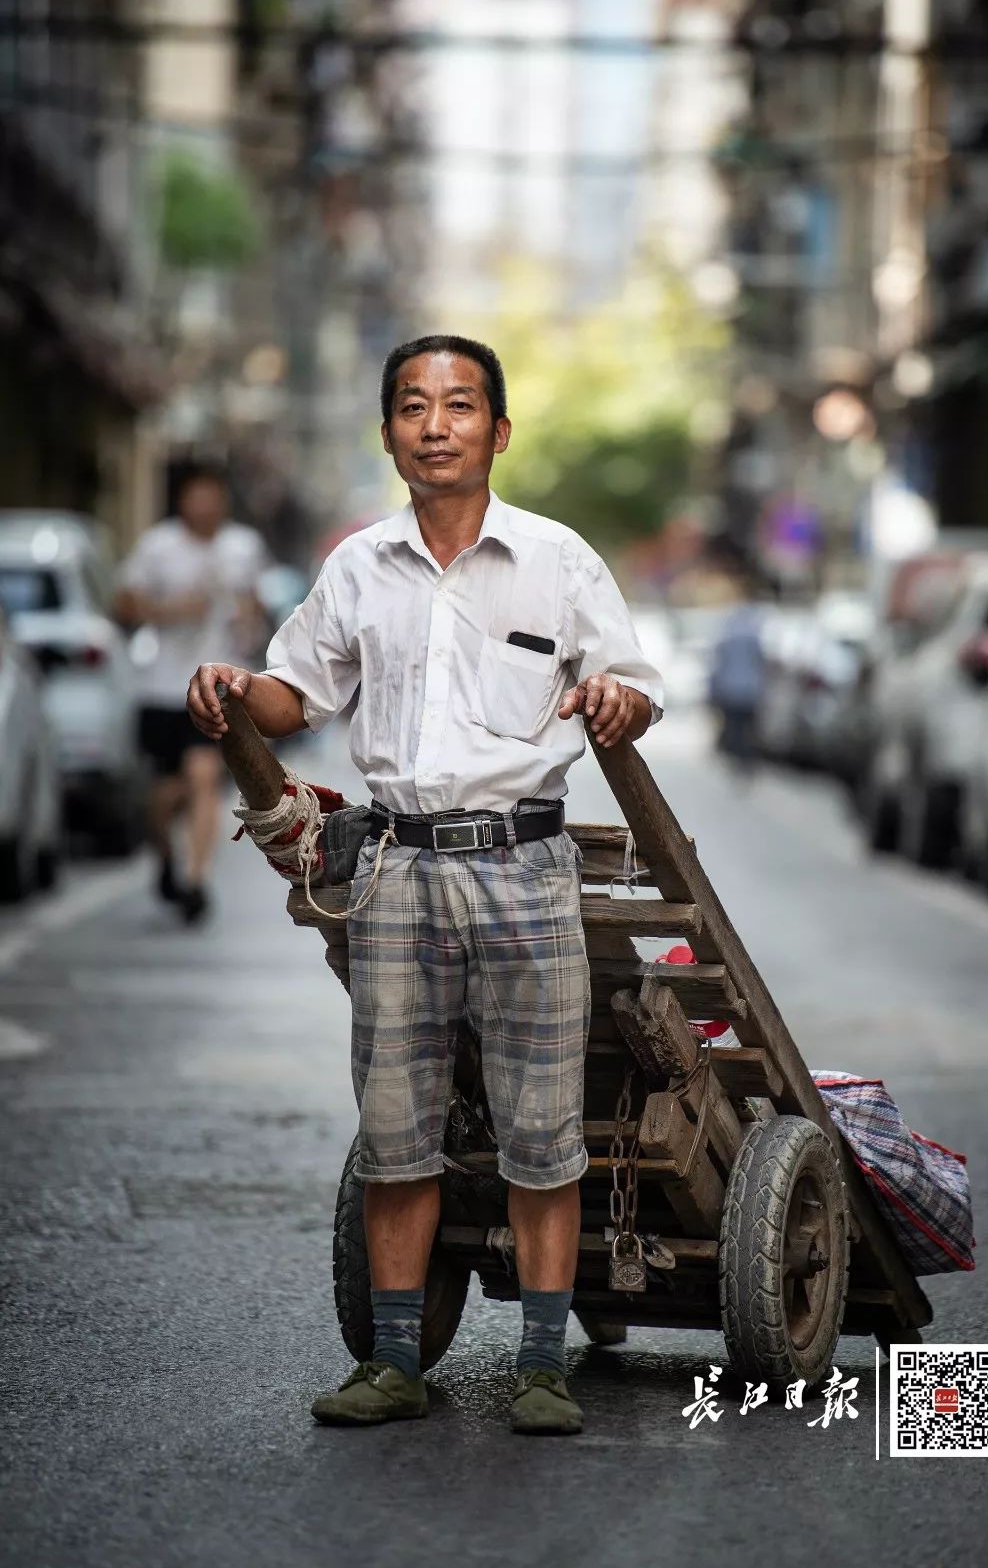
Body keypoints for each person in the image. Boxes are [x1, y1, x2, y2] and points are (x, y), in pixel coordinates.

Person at [186, 334, 663, 1436]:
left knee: (544, 1131)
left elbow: (631, 686)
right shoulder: (359, 566)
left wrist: (615, 703)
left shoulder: (557, 559)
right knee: (396, 1123)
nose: (434, 424)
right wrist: (230, 686)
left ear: (498, 431)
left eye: (458, 406)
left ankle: (543, 1365)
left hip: (525, 866)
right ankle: (395, 1360)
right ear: (390, 430)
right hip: (398, 868)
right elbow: (291, 694)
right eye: (412, 406)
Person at [117, 462, 269, 923]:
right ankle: (165, 855)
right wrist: (171, 610)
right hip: (163, 688)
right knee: (163, 797)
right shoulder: (158, 546)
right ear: (182, 500)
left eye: (213, 496)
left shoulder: (243, 547)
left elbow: (257, 605)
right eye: (195, 496)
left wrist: (248, 616)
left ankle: (197, 881)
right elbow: (123, 603)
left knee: (204, 778)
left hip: (215, 689)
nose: (204, 506)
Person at [708, 576, 766, 775]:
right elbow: (761, 659)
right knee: (747, 729)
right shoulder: (753, 631)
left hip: (732, 689)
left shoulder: (729, 630)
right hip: (749, 689)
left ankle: (738, 760)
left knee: (735, 728)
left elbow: (719, 661)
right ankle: (745, 761)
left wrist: (715, 689)